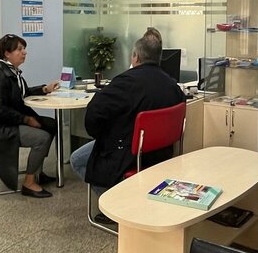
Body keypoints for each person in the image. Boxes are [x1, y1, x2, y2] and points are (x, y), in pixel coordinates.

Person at [71, 34, 185, 221]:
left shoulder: (125, 82)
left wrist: (102, 136)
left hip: (128, 153)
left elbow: (94, 113)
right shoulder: (172, 85)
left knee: (77, 159)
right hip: (162, 152)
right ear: (159, 58)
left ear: (135, 57)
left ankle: (117, 210)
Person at [0, 34, 60, 198]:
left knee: (51, 124)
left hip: (7, 120)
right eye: (19, 49)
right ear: (7, 54)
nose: (24, 52)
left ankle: (37, 173)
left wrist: (44, 89)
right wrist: (26, 119)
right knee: (42, 137)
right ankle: (29, 183)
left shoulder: (10, 71)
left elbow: (21, 93)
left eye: (24, 49)